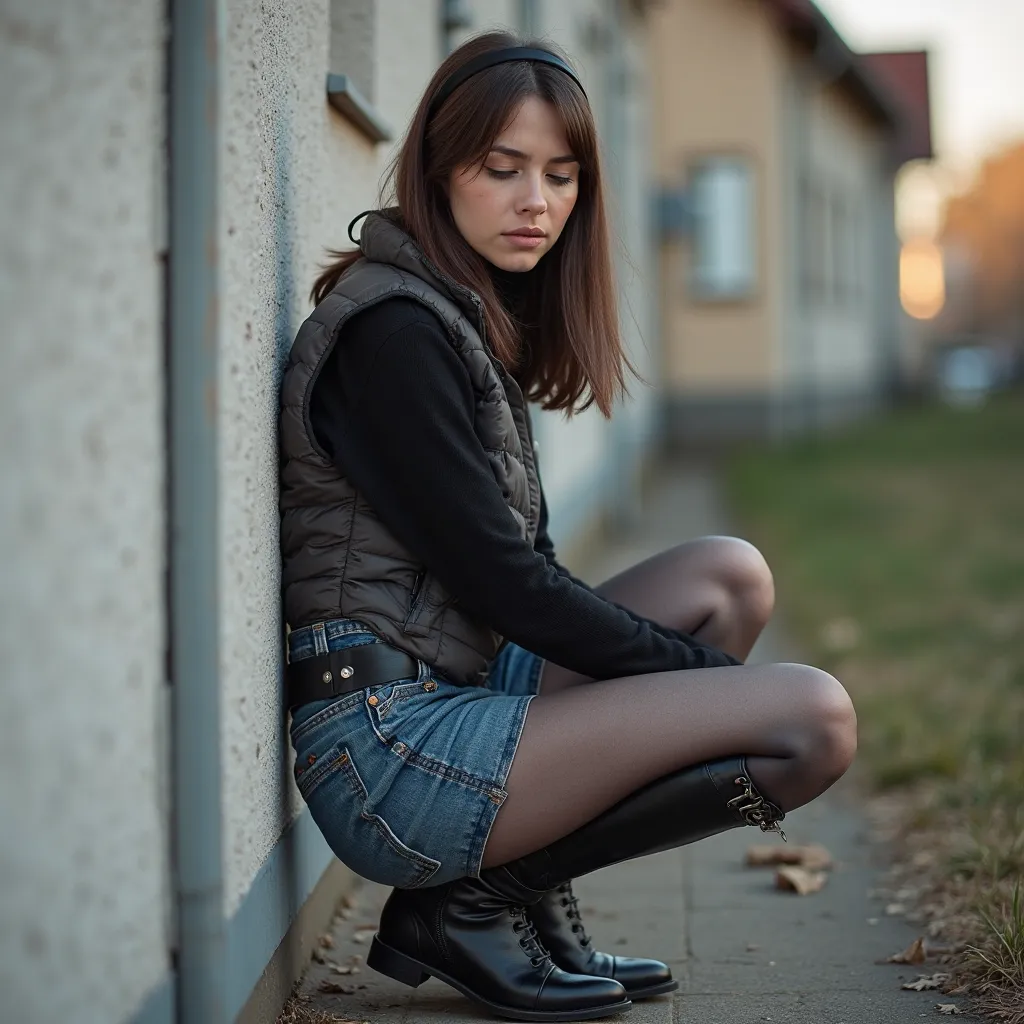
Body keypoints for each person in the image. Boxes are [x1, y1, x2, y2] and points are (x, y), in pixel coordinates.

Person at [279, 30, 857, 1023]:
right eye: (501, 169)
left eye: (559, 174)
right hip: (387, 748)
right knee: (810, 721)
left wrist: (686, 673)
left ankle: (501, 888)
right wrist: (703, 683)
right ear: (438, 170)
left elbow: (526, 572)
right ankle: (478, 897)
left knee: (729, 576)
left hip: (451, 684)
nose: (534, 201)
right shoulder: (396, 336)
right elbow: (513, 588)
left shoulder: (463, 316)